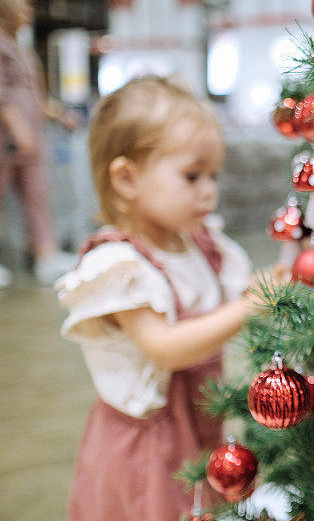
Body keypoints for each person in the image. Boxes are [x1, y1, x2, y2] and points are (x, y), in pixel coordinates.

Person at [55, 76, 261, 520]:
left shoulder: (202, 247)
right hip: (150, 446)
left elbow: (230, 294)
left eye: (213, 175)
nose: (209, 190)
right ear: (127, 178)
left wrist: (271, 285)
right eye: (192, 175)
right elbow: (165, 347)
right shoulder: (121, 266)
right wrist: (248, 307)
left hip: (201, 423)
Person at [0, 0, 77, 286]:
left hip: (31, 141)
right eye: (24, 7)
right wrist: (18, 128)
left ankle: (47, 254)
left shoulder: (19, 47)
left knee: (37, 196)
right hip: (8, 140)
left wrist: (57, 114)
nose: (28, 13)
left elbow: (32, 95)